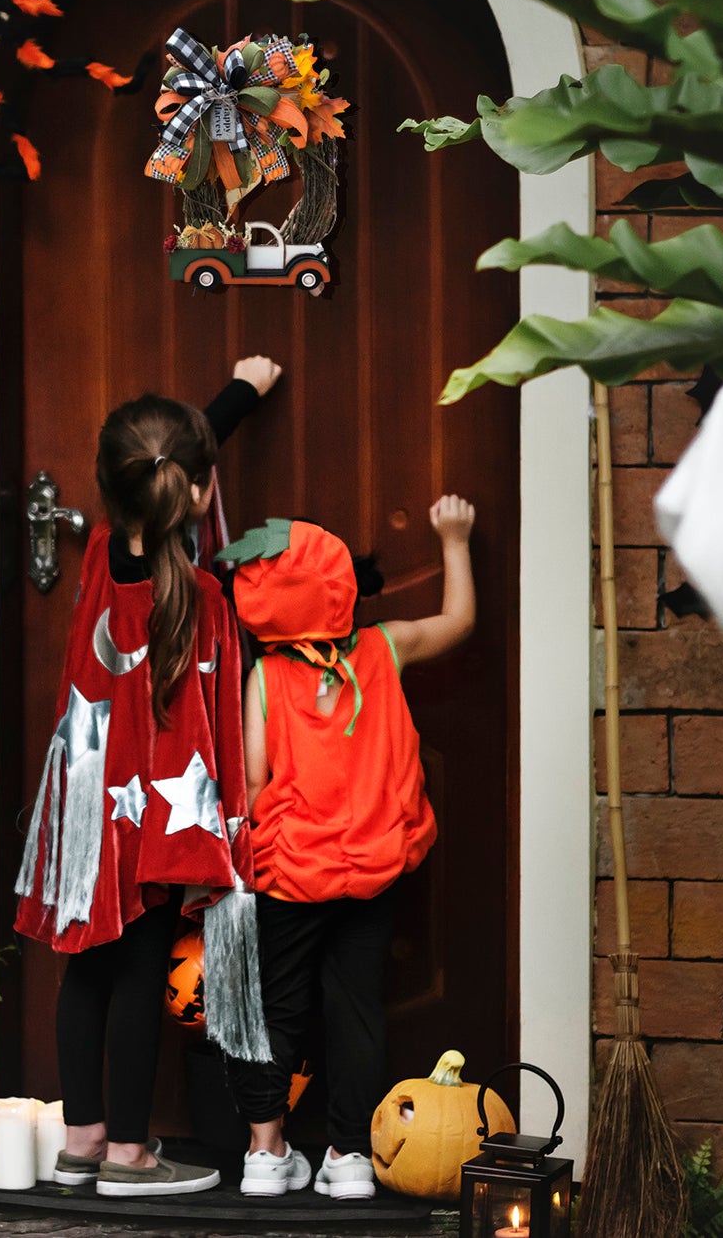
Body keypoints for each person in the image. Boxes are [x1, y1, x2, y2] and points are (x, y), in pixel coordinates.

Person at [14, 359, 281, 1198]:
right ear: (197, 494)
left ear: (113, 491)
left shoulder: (95, 554)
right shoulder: (205, 597)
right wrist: (244, 394)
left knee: (82, 962)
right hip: (160, 812)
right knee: (138, 968)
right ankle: (131, 1153)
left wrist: (230, 399)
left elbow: (158, 462)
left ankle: (82, 1138)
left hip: (88, 802)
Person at [219, 497, 476, 1200]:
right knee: (356, 1008)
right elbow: (457, 621)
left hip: (288, 873)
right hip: (372, 867)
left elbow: (251, 779)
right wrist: (453, 539)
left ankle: (265, 1153)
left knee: (276, 1011)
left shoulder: (266, 677)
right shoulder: (385, 646)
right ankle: (349, 1154)